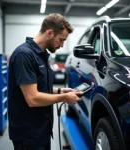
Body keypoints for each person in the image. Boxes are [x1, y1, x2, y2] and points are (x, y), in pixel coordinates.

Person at [8, 13, 83, 150]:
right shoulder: (24, 55)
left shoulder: (41, 55)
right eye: (61, 40)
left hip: (41, 130)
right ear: (49, 33)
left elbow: (39, 87)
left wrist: (60, 90)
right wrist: (64, 97)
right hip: (28, 135)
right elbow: (33, 98)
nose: (62, 45)